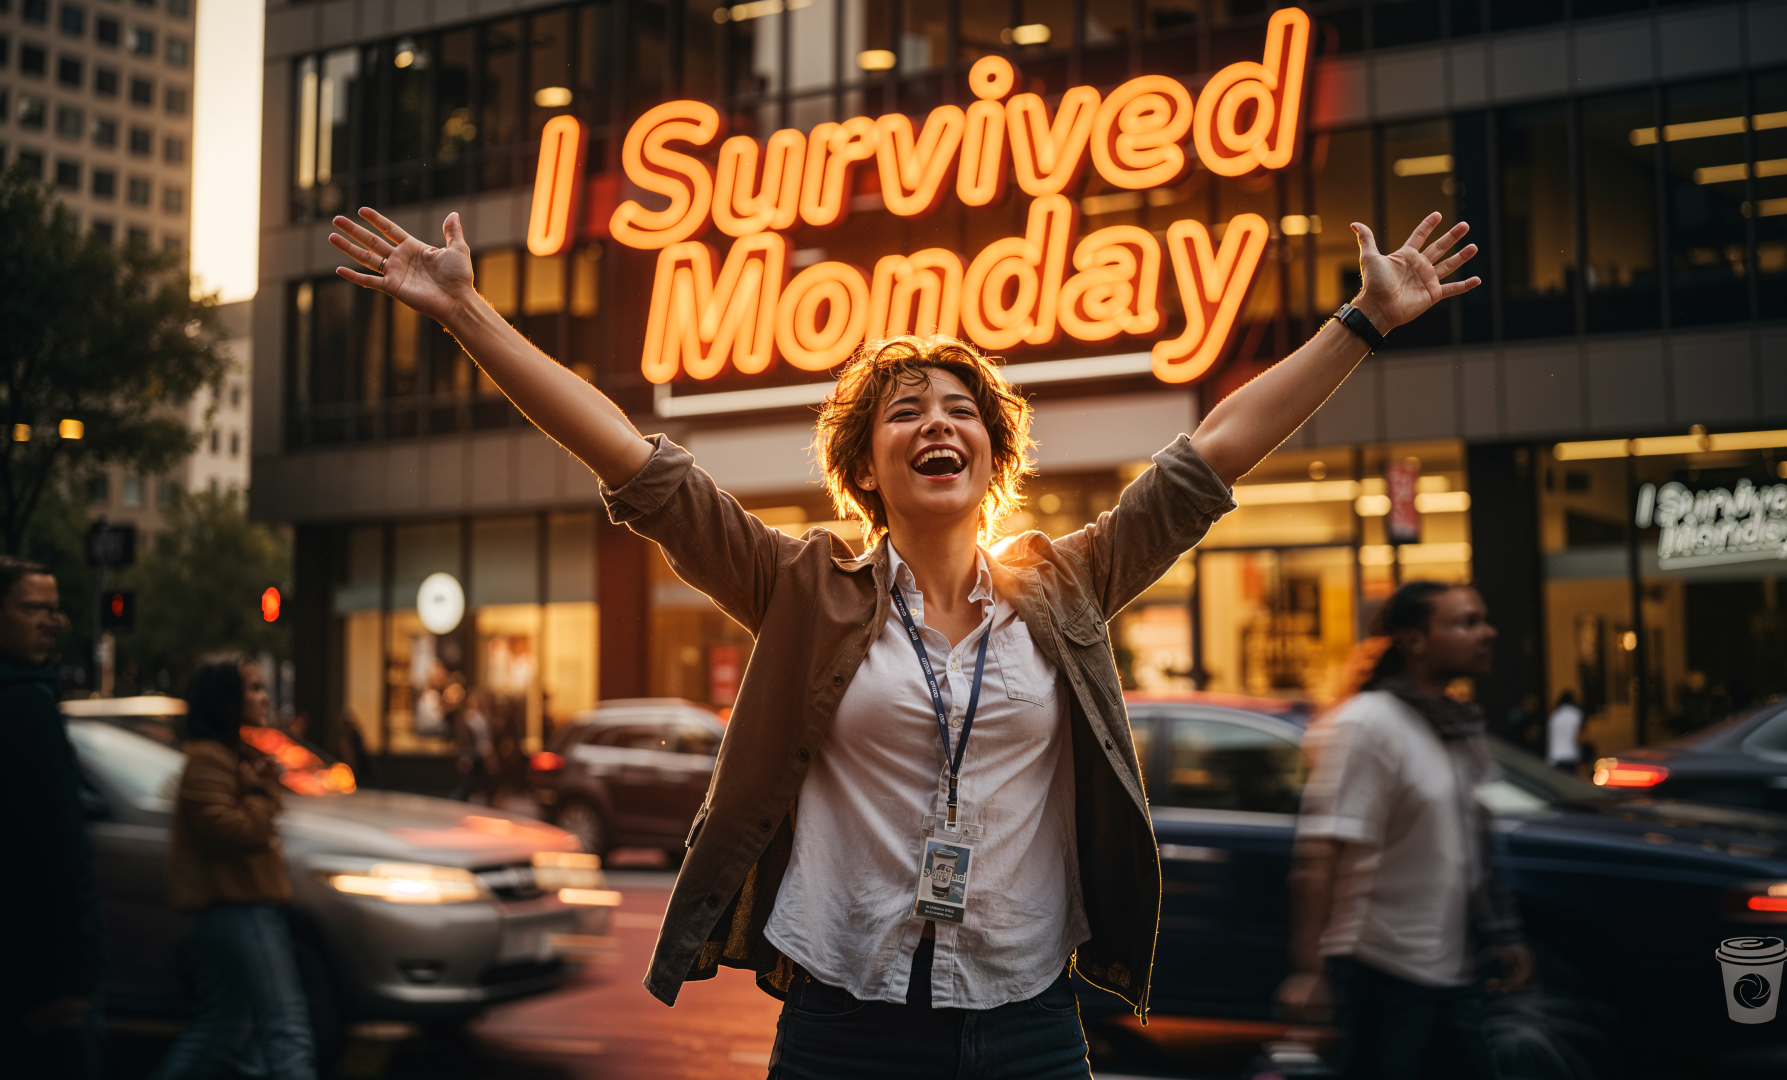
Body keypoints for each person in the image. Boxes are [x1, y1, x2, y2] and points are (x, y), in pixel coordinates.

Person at [328, 199, 1480, 1077]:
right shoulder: (800, 585)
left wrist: (1363, 321)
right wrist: (468, 314)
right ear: (867, 470)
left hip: (1031, 1021)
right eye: (904, 411)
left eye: (960, 407)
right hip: (843, 1023)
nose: (937, 421)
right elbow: (632, 460)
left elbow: (1213, 451)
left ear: (992, 453)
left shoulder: (1065, 585)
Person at [1282, 582, 1532, 1080]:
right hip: (1382, 969)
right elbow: (1321, 853)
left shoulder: (1453, 727)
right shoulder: (1369, 724)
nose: (1488, 632)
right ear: (1414, 641)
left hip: (1451, 970)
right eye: (1466, 622)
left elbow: (1469, 849)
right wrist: (1311, 972)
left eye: (1482, 619)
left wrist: (1502, 936)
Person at [151, 654, 318, 1080]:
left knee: (220, 1033)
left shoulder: (232, 756)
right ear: (226, 699)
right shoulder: (209, 759)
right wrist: (262, 792)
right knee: (288, 1028)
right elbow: (230, 831)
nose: (265, 697)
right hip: (240, 911)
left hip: (242, 911)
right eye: (254, 688)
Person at [0, 556, 105, 1079]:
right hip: (37, 975)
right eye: (32, 608)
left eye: (55, 610)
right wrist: (75, 973)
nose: (50, 621)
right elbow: (59, 846)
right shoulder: (26, 703)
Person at [452, 688, 499, 805]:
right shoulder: (469, 717)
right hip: (475, 754)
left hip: (483, 753)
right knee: (470, 782)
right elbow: (466, 739)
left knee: (486, 780)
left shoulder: (485, 717)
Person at [1546, 690, 1586, 774]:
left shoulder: (1554, 715)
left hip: (1555, 757)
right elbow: (1579, 738)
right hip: (1570, 756)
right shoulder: (1577, 714)